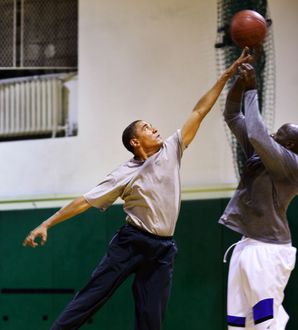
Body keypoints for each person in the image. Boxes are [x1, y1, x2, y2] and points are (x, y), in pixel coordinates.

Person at [22, 48, 250, 330]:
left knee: (151, 320)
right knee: (92, 295)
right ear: (134, 141)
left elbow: (199, 110)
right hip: (131, 242)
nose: (154, 128)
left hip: (163, 248)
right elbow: (84, 201)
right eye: (146, 127)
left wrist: (227, 74)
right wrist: (47, 223)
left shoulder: (172, 149)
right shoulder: (123, 174)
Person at [220, 62, 298, 329]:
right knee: (239, 325)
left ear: (290, 146)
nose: (273, 134)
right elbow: (232, 115)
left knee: (267, 323)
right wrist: (240, 83)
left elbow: (256, 132)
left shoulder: (291, 163)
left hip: (270, 250)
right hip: (247, 245)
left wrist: (252, 90)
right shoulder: (260, 154)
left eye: (279, 134)